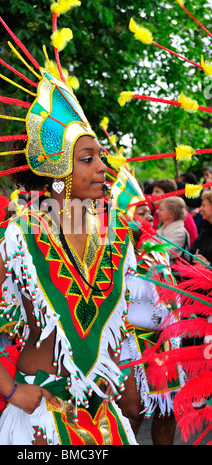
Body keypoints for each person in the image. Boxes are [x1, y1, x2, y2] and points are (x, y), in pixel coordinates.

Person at [0, 2, 137, 443]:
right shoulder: (24, 235)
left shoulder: (118, 237)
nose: (102, 168)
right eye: (87, 160)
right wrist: (7, 387)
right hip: (40, 420)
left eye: (101, 157)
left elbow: (116, 323)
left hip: (101, 420)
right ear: (59, 176)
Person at [111, 171, 183, 445]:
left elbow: (169, 293)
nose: (149, 218)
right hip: (127, 343)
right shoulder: (112, 254)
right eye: (141, 213)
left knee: (168, 413)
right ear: (123, 216)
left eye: (150, 213)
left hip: (161, 343)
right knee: (132, 413)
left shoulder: (157, 248)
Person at [151, 178, 198, 246]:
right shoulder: (156, 214)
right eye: (153, 191)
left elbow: (192, 240)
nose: (153, 194)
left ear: (168, 194)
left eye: (157, 192)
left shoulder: (183, 215)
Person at [156, 197, 190, 266]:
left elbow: (161, 252)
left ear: (172, 213)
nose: (157, 211)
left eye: (161, 209)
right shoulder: (163, 228)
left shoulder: (180, 233)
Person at [190, 190, 212, 267]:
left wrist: (208, 265)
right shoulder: (206, 229)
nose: (200, 209)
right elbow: (193, 252)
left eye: (204, 205)